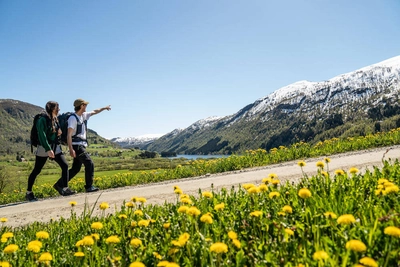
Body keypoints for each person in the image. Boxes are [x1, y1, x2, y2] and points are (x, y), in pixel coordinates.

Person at [54, 99, 111, 193]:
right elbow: (69, 135)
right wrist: (71, 149)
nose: (86, 107)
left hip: (80, 145)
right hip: (77, 146)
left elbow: (95, 111)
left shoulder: (83, 116)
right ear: (81, 106)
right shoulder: (73, 118)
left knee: (76, 168)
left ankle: (59, 184)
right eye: (85, 105)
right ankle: (89, 186)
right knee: (89, 163)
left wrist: (104, 108)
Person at [26, 101, 75, 202]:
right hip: (44, 147)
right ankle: (29, 193)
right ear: (53, 108)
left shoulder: (55, 119)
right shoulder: (42, 120)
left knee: (65, 165)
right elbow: (42, 135)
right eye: (58, 107)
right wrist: (48, 149)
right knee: (37, 170)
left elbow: (54, 132)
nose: (59, 109)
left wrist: (59, 132)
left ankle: (65, 188)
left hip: (55, 147)